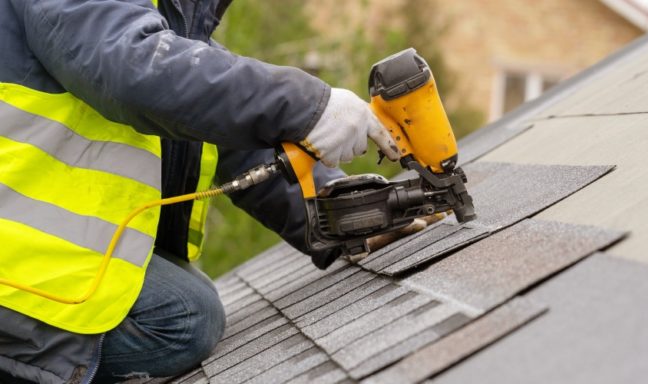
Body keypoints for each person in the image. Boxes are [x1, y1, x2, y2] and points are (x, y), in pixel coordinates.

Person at [0, 0, 402, 382]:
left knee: (187, 301)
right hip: (12, 273)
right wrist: (305, 106)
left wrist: (342, 213)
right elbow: (137, 70)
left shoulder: (163, 17)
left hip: (31, 256)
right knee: (183, 317)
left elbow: (223, 130)